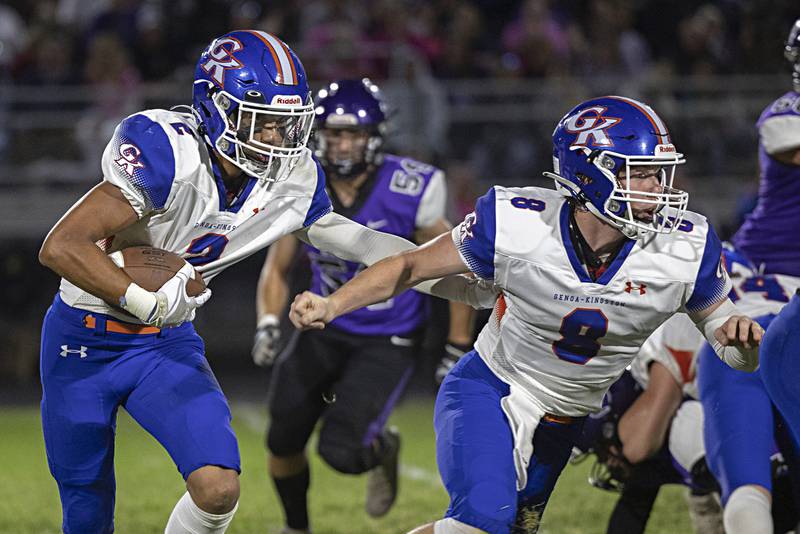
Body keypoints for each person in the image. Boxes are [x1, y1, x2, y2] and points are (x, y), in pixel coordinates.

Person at [37, 31, 488, 534]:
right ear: (214, 106)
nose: (276, 138)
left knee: (219, 487)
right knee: (86, 502)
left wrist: (457, 278)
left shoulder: (292, 177)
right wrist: (146, 300)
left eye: (285, 123)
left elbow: (369, 245)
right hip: (83, 337)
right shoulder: (167, 150)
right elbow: (62, 245)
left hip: (165, 342)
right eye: (263, 121)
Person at [289, 95, 765, 534]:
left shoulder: (685, 247)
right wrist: (333, 304)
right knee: (481, 523)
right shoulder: (520, 223)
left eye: (659, 173)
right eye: (639, 172)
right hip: (493, 389)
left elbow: (727, 342)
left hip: (566, 420)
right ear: (589, 174)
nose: (657, 187)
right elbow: (411, 264)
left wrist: (738, 343)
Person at [251, 79, 474, 533]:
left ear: (375, 135)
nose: (343, 144)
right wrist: (268, 323)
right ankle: (297, 528)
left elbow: (455, 263)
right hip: (323, 327)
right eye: (334, 134)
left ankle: (381, 452)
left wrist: (455, 343)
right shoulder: (302, 178)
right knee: (282, 437)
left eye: (353, 134)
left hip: (386, 337)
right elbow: (277, 265)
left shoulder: (411, 184)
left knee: (342, 453)